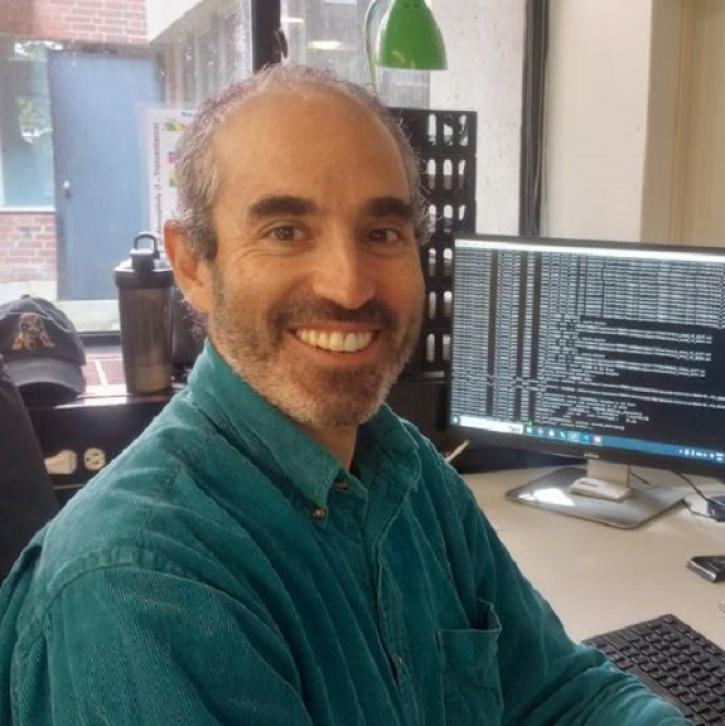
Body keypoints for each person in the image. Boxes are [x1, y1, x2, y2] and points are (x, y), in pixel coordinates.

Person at [0, 65, 686, 725]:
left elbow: (555, 694)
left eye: (381, 233)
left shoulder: (410, 472)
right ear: (192, 265)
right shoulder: (142, 586)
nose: (349, 286)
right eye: (285, 232)